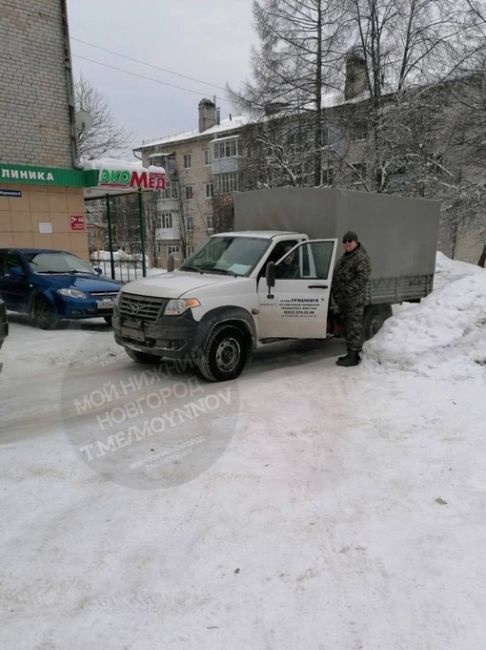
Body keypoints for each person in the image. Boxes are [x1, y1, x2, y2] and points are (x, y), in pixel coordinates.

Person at [331, 230, 371, 367]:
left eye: (350, 241)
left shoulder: (360, 257)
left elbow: (362, 278)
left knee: (354, 326)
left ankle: (354, 356)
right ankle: (350, 353)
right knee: (348, 326)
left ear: (356, 242)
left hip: (353, 299)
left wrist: (347, 292)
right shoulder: (346, 257)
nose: (347, 243)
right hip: (344, 300)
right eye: (345, 241)